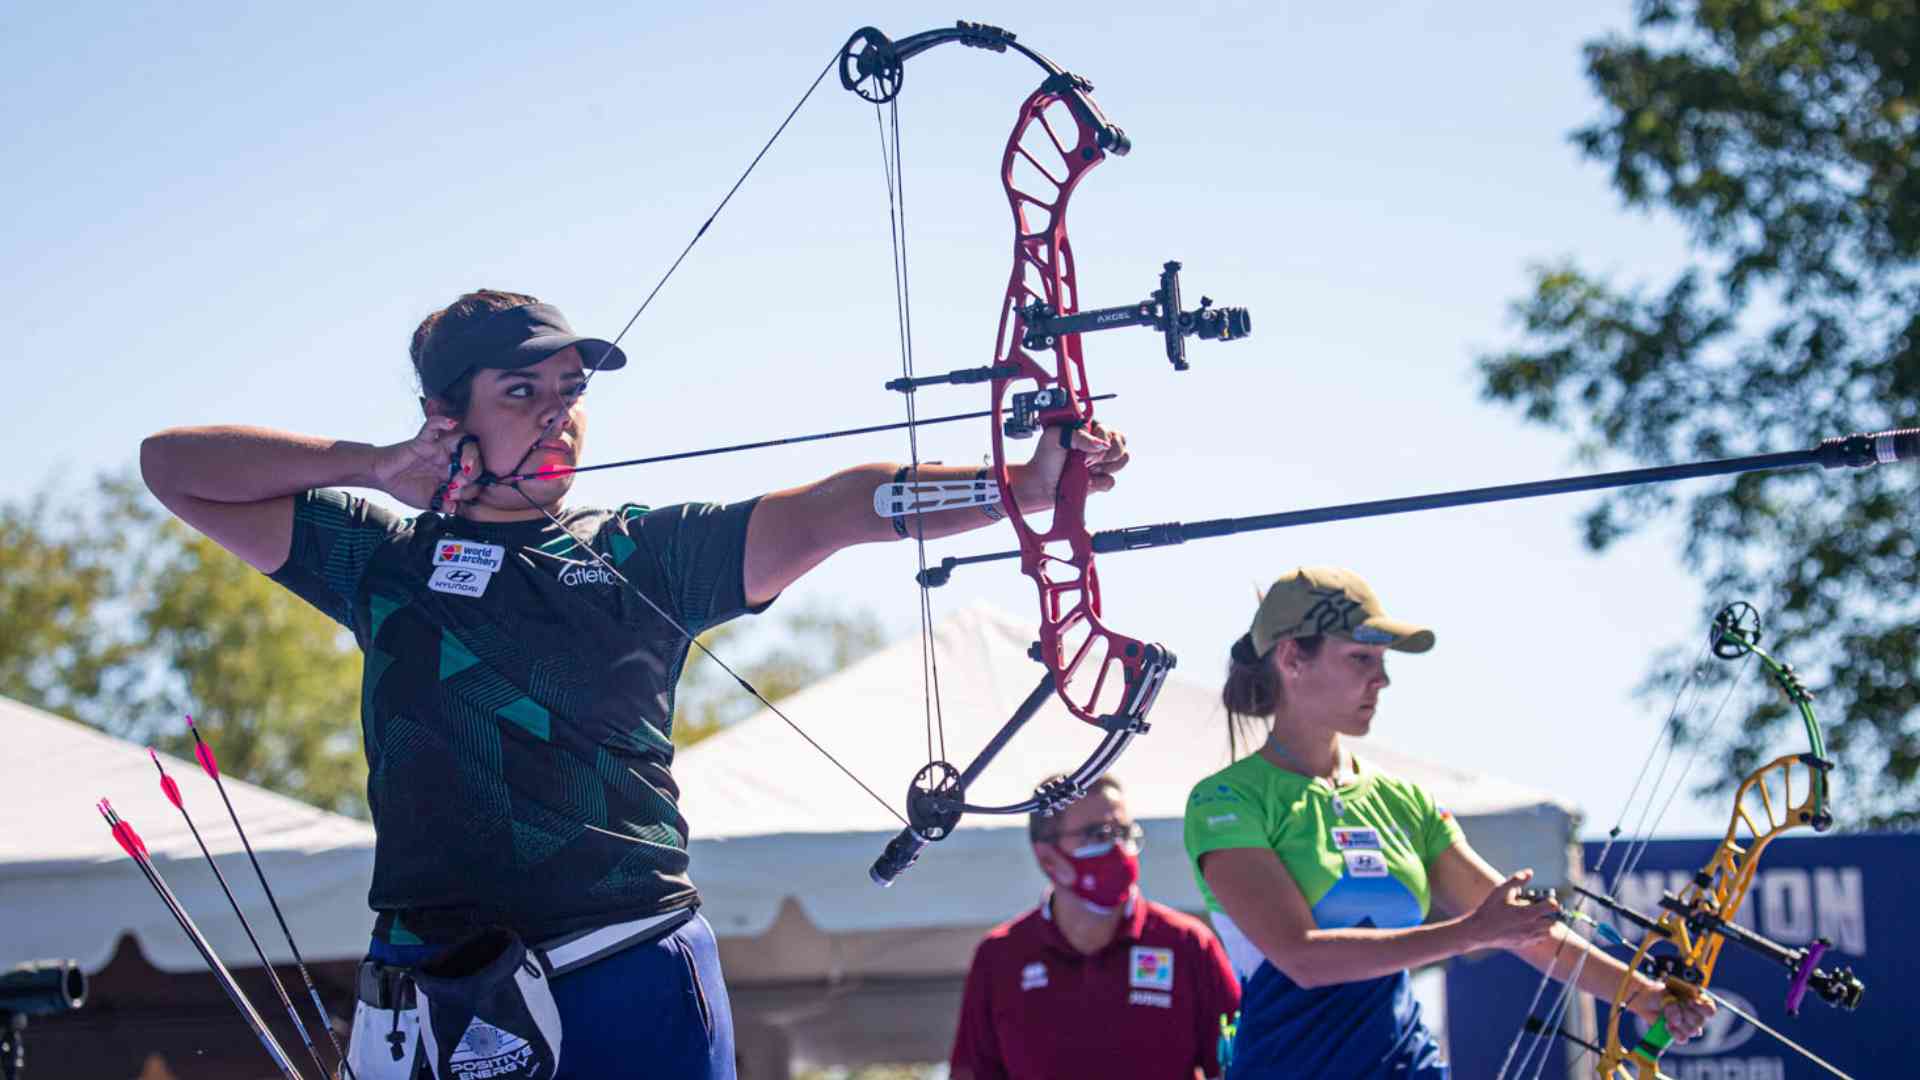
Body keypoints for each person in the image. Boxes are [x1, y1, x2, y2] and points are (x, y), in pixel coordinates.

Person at [138, 289, 1132, 1080]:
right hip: (432, 979)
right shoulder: (382, 559)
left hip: (625, 962)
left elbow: (837, 509)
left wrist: (1023, 487)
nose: (558, 415)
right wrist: (378, 466)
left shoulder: (642, 554)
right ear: (447, 418)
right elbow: (171, 465)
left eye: (570, 390)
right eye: (522, 392)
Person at [1182, 567, 1713, 1078]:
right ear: (1292, 658)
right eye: (1361, 658)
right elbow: (1303, 959)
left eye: (1383, 661)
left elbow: (1525, 932)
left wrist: (1641, 994)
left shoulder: (1404, 800)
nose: (1382, 679)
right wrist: (1471, 933)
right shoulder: (1227, 799)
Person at [950, 774, 1241, 1080]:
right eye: (1097, 834)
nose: (1117, 847)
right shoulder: (1000, 956)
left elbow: (1243, 1062)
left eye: (1123, 832)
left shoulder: (1187, 943)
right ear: (1047, 858)